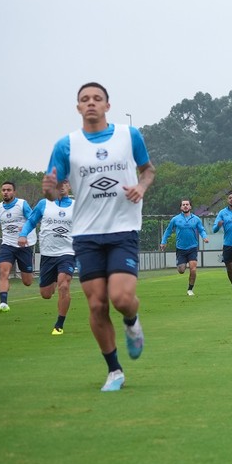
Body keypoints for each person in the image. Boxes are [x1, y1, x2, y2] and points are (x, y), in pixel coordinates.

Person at [41, 82, 155, 392]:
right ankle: (114, 370)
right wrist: (49, 188)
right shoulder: (66, 145)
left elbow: (148, 170)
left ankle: (132, 322)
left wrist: (141, 188)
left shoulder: (128, 136)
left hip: (123, 229)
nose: (90, 103)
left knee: (121, 299)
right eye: (84, 99)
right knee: (96, 305)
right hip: (86, 233)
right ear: (78, 107)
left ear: (107, 105)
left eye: (97, 99)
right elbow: (53, 189)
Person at [19, 179, 74, 334]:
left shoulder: (77, 206)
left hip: (68, 252)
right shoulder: (44, 204)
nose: (61, 187)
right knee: (46, 294)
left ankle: (59, 325)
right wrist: (23, 234)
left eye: (64, 183)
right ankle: (57, 277)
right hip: (48, 254)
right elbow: (31, 221)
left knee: (64, 285)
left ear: (69, 186)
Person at [0, 181, 37, 313]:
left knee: (27, 282)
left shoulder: (22, 204)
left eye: (8, 190)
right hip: (7, 245)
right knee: (3, 272)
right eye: (3, 190)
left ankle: (7, 287)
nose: (6, 192)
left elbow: (33, 219)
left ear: (14, 192)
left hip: (24, 245)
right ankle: (3, 303)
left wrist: (25, 229)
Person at [160, 199, 209, 295]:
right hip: (181, 248)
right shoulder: (175, 219)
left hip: (192, 248)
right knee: (181, 270)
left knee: (193, 269)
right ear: (181, 207)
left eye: (187, 204)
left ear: (190, 207)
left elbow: (202, 230)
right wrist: (163, 242)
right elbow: (168, 231)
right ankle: (181, 262)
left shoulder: (196, 219)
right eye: (183, 205)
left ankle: (190, 289)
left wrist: (204, 237)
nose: (185, 206)